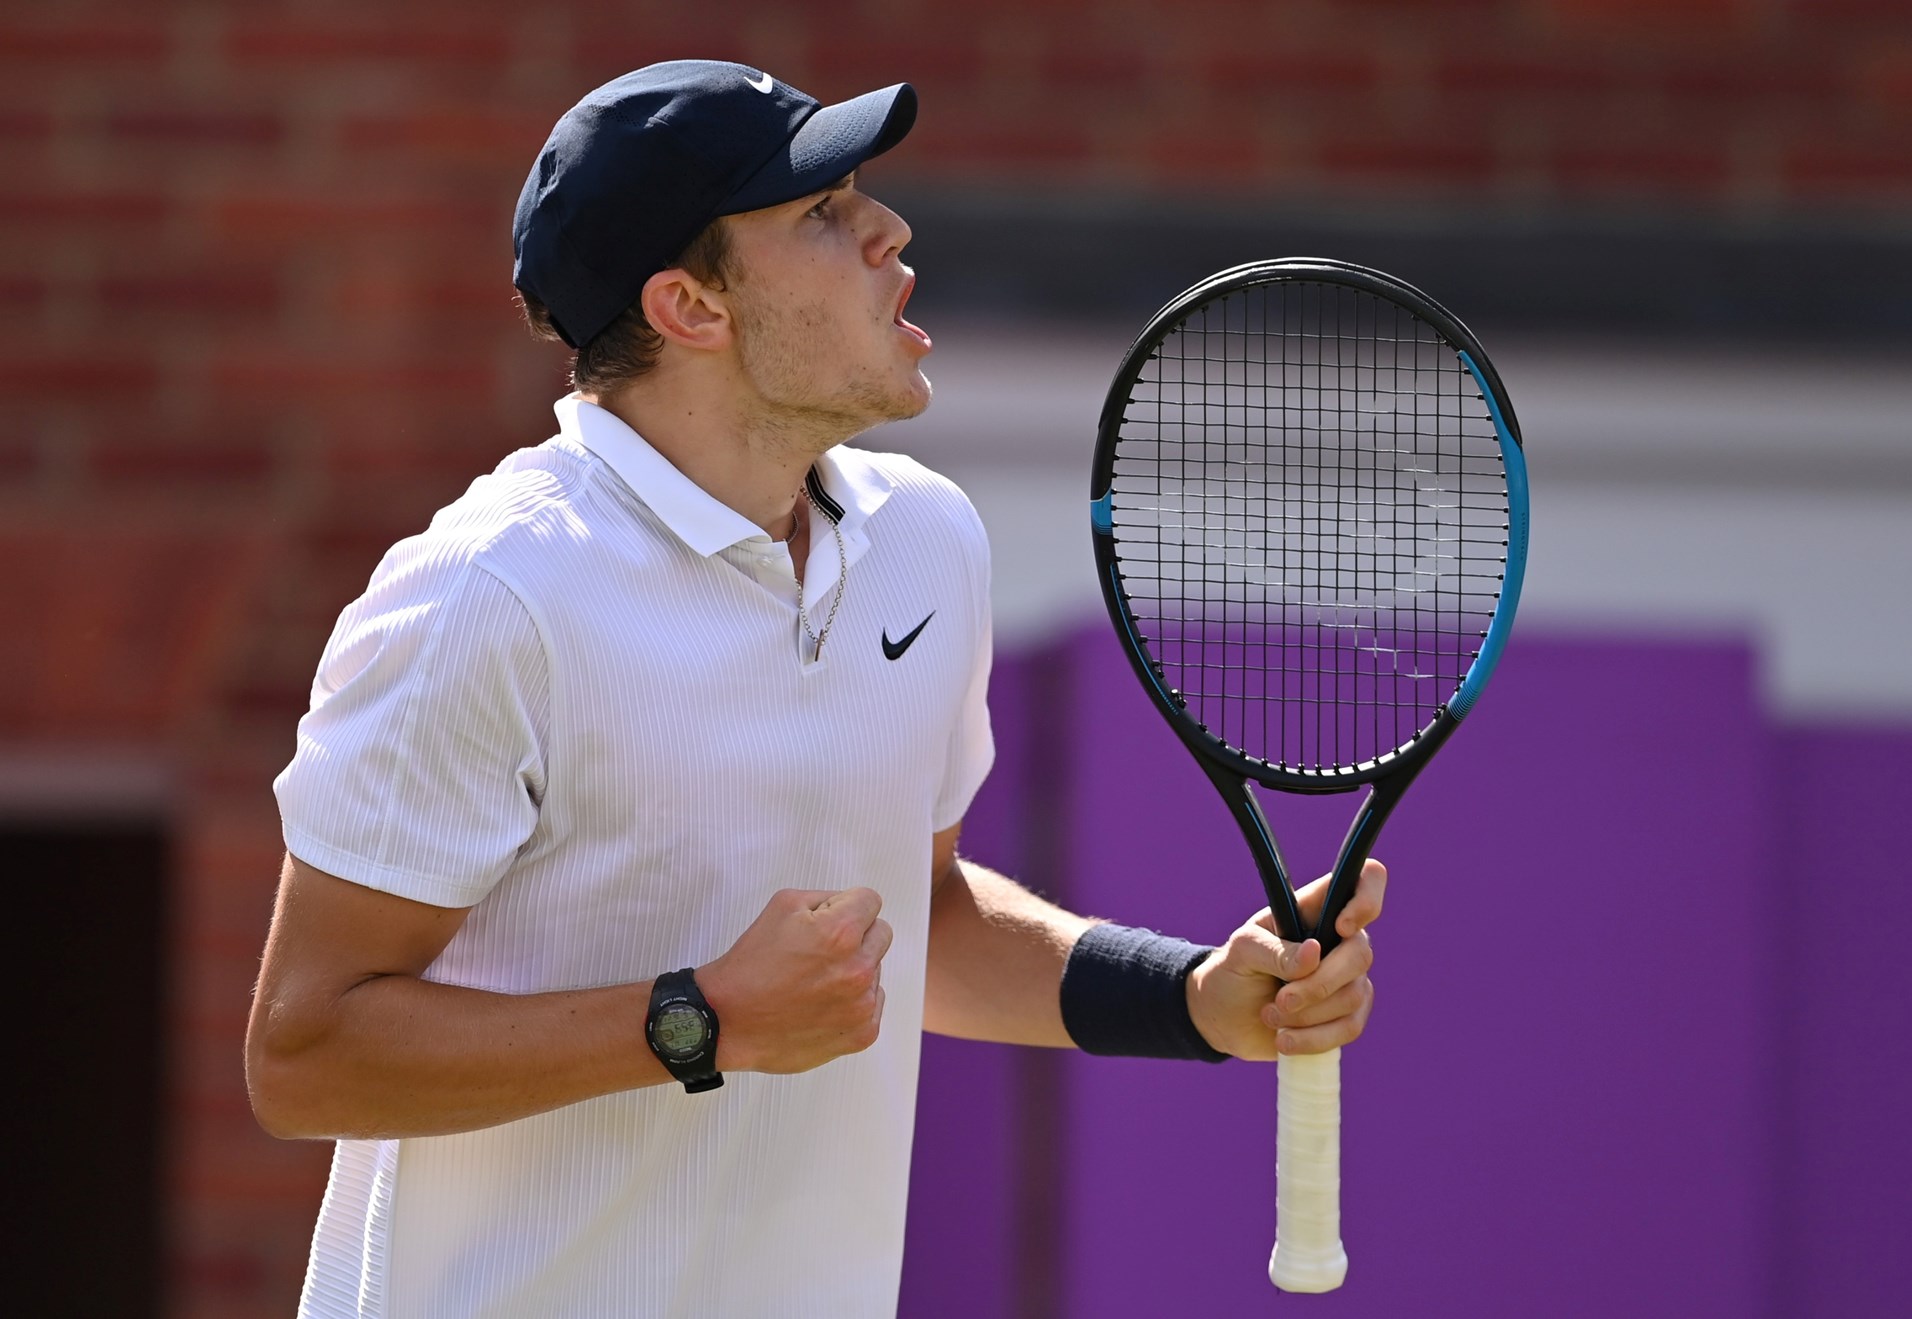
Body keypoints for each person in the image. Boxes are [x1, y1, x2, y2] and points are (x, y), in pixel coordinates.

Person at [245, 60, 1385, 1318]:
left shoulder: (927, 540)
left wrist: (1184, 997)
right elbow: (305, 1052)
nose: (887, 231)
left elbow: (917, 915)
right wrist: (700, 1022)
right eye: (820, 214)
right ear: (690, 307)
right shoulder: (484, 596)